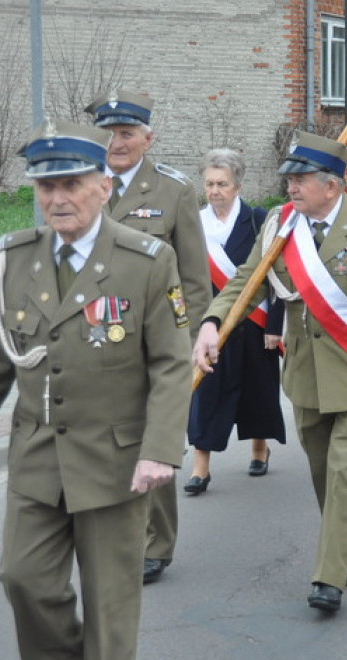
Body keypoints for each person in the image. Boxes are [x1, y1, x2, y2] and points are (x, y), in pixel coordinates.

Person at [0, 119, 191, 660]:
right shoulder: (15, 260)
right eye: (46, 189)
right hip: (38, 456)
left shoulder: (146, 261)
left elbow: (169, 364)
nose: (57, 200)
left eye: (71, 184)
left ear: (104, 186)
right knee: (22, 576)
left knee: (110, 595)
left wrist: (161, 448)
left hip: (117, 458)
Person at [192, 131, 347, 613]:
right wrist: (214, 322)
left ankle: (329, 577)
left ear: (332, 186)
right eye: (289, 180)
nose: (290, 189)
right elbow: (247, 279)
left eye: (299, 180)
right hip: (304, 374)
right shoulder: (281, 222)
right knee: (323, 473)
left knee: (344, 472)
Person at [84, 89, 211, 585]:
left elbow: (195, 280)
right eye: (109, 133)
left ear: (147, 137)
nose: (116, 142)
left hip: (153, 341)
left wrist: (189, 344)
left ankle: (155, 543)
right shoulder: (81, 183)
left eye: (126, 133)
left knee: (148, 438)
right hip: (90, 339)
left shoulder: (173, 191)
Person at [185, 148, 286, 494]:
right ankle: (201, 467)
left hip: (255, 324)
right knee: (206, 393)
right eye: (210, 183)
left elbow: (275, 277)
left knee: (259, 389)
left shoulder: (259, 220)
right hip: (211, 326)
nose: (215, 190)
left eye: (222, 184)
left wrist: (275, 325)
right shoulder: (194, 224)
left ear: (237, 186)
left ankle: (260, 447)